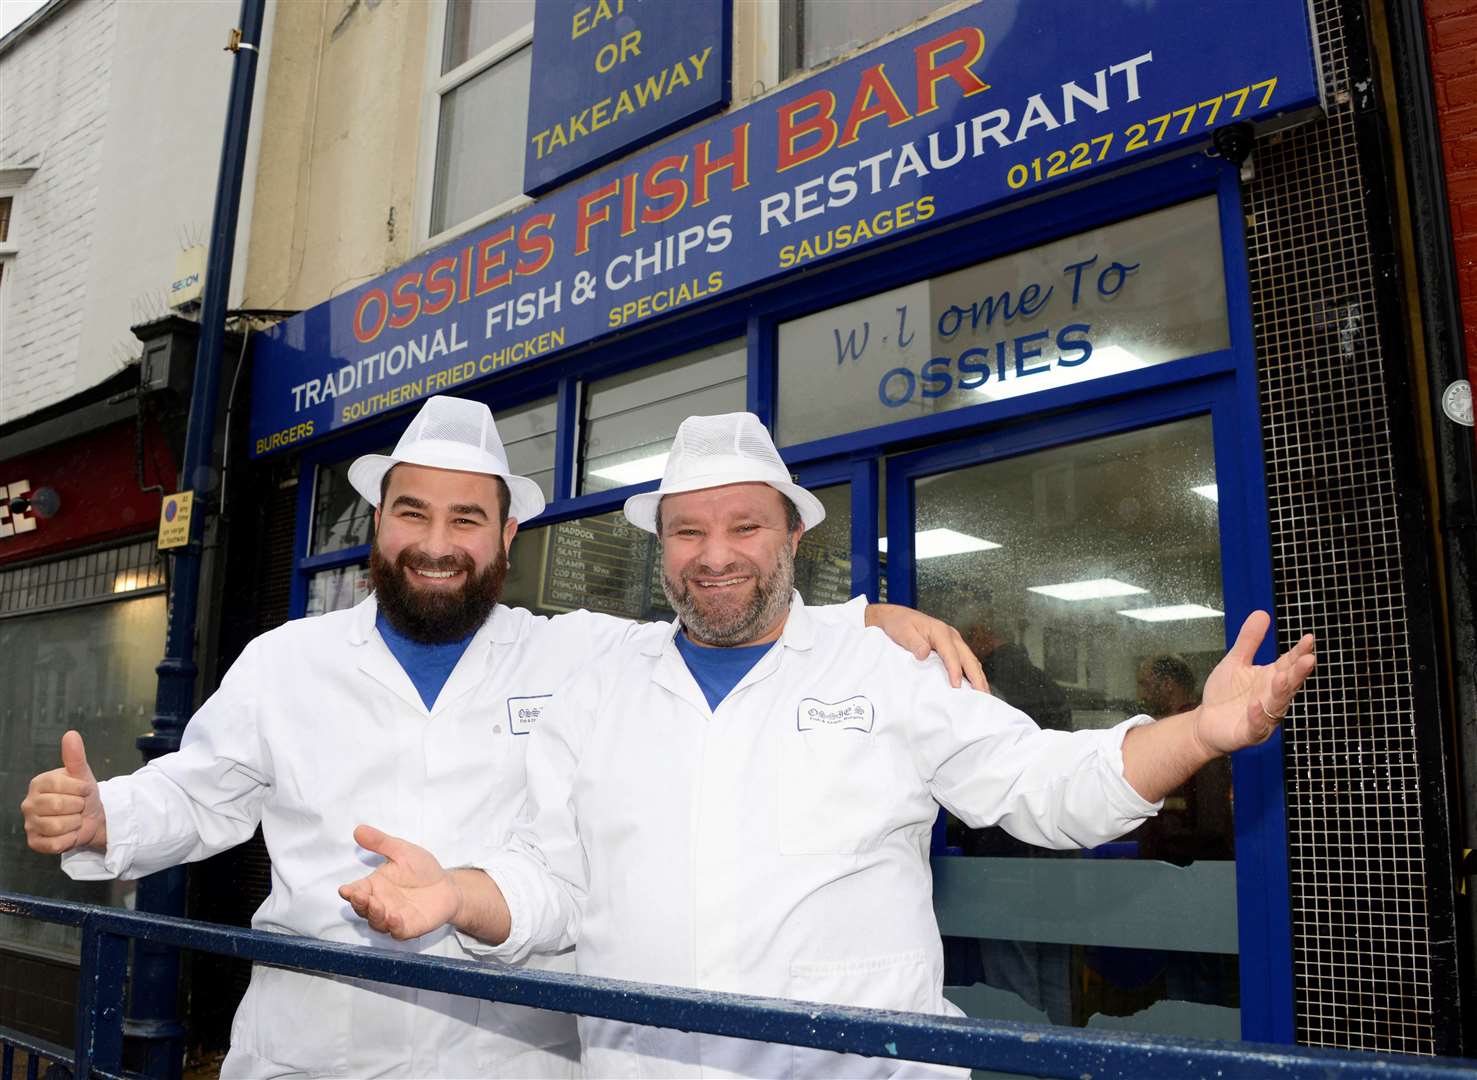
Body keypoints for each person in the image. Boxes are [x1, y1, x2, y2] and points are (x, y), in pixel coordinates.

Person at [18, 396, 986, 1079]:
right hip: (317, 1044)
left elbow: (732, 616)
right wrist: (107, 815)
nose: (437, 541)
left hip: (512, 1049)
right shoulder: (286, 660)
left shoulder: (587, 654)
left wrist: (868, 620)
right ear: (380, 527)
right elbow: (198, 795)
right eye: (413, 512)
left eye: (466, 518)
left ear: (505, 538)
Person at [340, 412, 1318, 1079]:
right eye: (687, 531)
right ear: (661, 547)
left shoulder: (881, 673)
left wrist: (1198, 730)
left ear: (791, 539)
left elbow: (1046, 790)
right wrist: (457, 893)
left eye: (742, 526)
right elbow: (553, 887)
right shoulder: (599, 689)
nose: (714, 553)